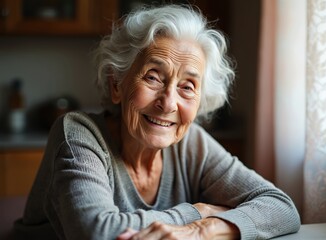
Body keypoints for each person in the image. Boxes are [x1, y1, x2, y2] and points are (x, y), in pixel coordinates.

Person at [13, 4, 300, 240]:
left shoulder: (192, 143)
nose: (169, 103)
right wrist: (199, 211)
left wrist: (202, 230)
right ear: (117, 85)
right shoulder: (78, 133)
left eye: (187, 86)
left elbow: (282, 208)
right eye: (153, 77)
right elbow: (96, 232)